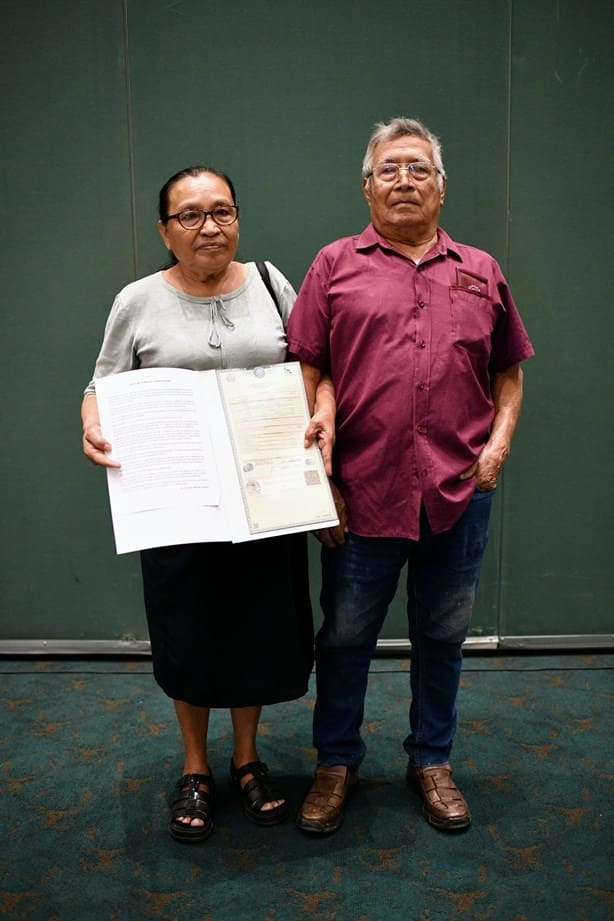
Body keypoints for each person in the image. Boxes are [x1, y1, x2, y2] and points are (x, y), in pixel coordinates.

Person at [287, 117, 535, 835]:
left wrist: (498, 447)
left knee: (442, 636)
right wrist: (319, 476)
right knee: (344, 639)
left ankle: (431, 759)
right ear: (366, 186)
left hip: (459, 493)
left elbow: (509, 373)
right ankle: (336, 763)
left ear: (442, 186)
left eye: (418, 168)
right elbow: (309, 368)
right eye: (389, 169)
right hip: (361, 491)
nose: (404, 180)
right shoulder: (334, 264)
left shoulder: (481, 270)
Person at [81, 165, 335, 843]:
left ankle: (246, 758)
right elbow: (100, 387)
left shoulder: (275, 285)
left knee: (255, 629)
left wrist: (323, 417)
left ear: (238, 218)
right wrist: (92, 426)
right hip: (178, 505)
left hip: (265, 496)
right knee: (188, 632)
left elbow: (318, 369)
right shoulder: (136, 300)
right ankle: (195, 767)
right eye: (189, 215)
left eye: (221, 211)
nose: (208, 226)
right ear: (165, 229)